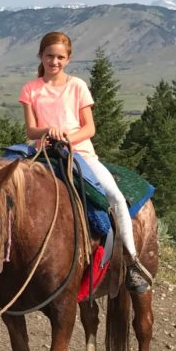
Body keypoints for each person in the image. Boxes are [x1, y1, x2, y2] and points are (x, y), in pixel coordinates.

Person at [19, 30, 149, 278]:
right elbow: (31, 130)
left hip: (80, 153)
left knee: (115, 197)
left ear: (68, 59)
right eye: (49, 56)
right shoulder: (30, 89)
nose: (54, 62)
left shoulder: (77, 86)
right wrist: (49, 131)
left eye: (59, 57)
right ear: (40, 56)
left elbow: (89, 128)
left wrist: (66, 138)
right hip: (42, 153)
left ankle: (131, 262)